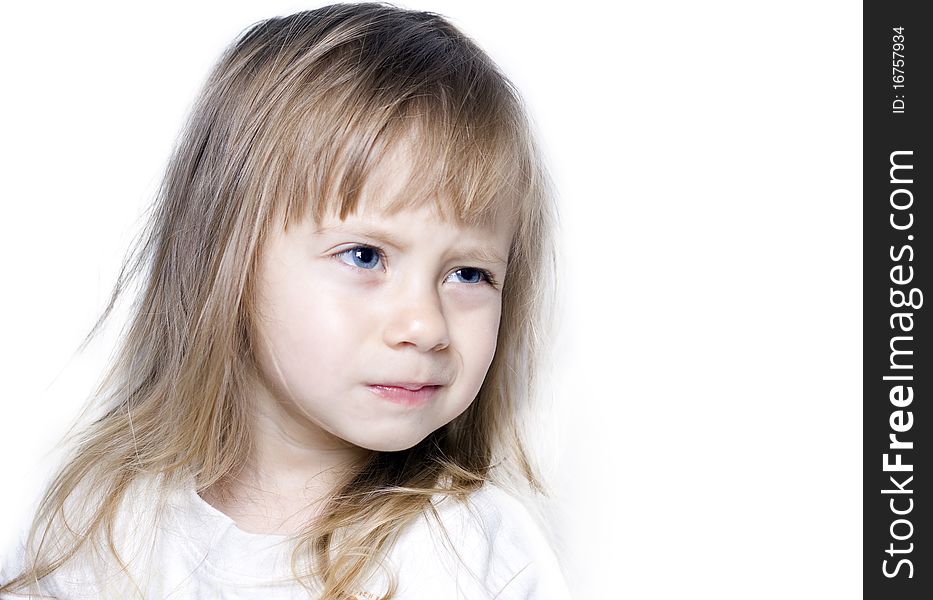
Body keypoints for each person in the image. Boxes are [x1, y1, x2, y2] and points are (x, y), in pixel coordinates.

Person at [0, 3, 568, 598]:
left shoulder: (480, 555)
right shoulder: (93, 527)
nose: (426, 326)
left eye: (469, 273)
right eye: (366, 256)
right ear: (228, 259)